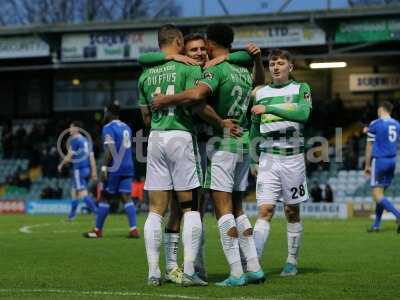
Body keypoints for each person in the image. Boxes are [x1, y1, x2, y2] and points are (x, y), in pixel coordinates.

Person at [139, 32, 258, 284]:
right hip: (194, 143)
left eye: (203, 49)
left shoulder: (156, 71)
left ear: (210, 48)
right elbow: (196, 102)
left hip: (189, 143)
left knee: (191, 208)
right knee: (187, 210)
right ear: (182, 47)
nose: (199, 54)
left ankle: (176, 268)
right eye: (193, 50)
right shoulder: (190, 69)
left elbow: (148, 114)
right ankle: (185, 267)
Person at [250, 49, 312, 277]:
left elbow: (304, 115)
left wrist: (270, 108)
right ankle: (254, 262)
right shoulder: (260, 92)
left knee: (291, 211)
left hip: (293, 159)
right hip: (268, 158)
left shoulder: (301, 89)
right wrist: (252, 160)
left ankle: (291, 261)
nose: (275, 67)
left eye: (280, 63)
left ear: (290, 67)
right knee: (265, 210)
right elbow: (254, 129)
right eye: (272, 63)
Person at [84, 102, 139, 239]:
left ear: (108, 112)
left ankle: (97, 230)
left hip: (115, 167)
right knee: (126, 197)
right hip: (128, 166)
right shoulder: (127, 127)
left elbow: (109, 150)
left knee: (105, 196)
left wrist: (103, 168)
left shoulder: (108, 128)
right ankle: (134, 229)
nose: (104, 115)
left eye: (105, 112)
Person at [364, 101, 400, 233]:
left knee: (376, 194)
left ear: (381, 109)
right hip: (392, 161)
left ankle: (398, 215)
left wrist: (367, 165)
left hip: (380, 161)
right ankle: (376, 225)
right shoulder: (397, 124)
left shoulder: (376, 124)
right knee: (381, 193)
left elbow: (369, 146)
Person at [58, 121, 98, 220]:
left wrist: (61, 164)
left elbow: (69, 155)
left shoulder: (74, 140)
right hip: (86, 168)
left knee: (82, 193)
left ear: (76, 129)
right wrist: (94, 171)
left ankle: (97, 212)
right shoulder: (86, 140)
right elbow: (91, 157)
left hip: (78, 169)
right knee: (74, 192)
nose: (69, 130)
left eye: (71, 128)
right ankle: (71, 216)